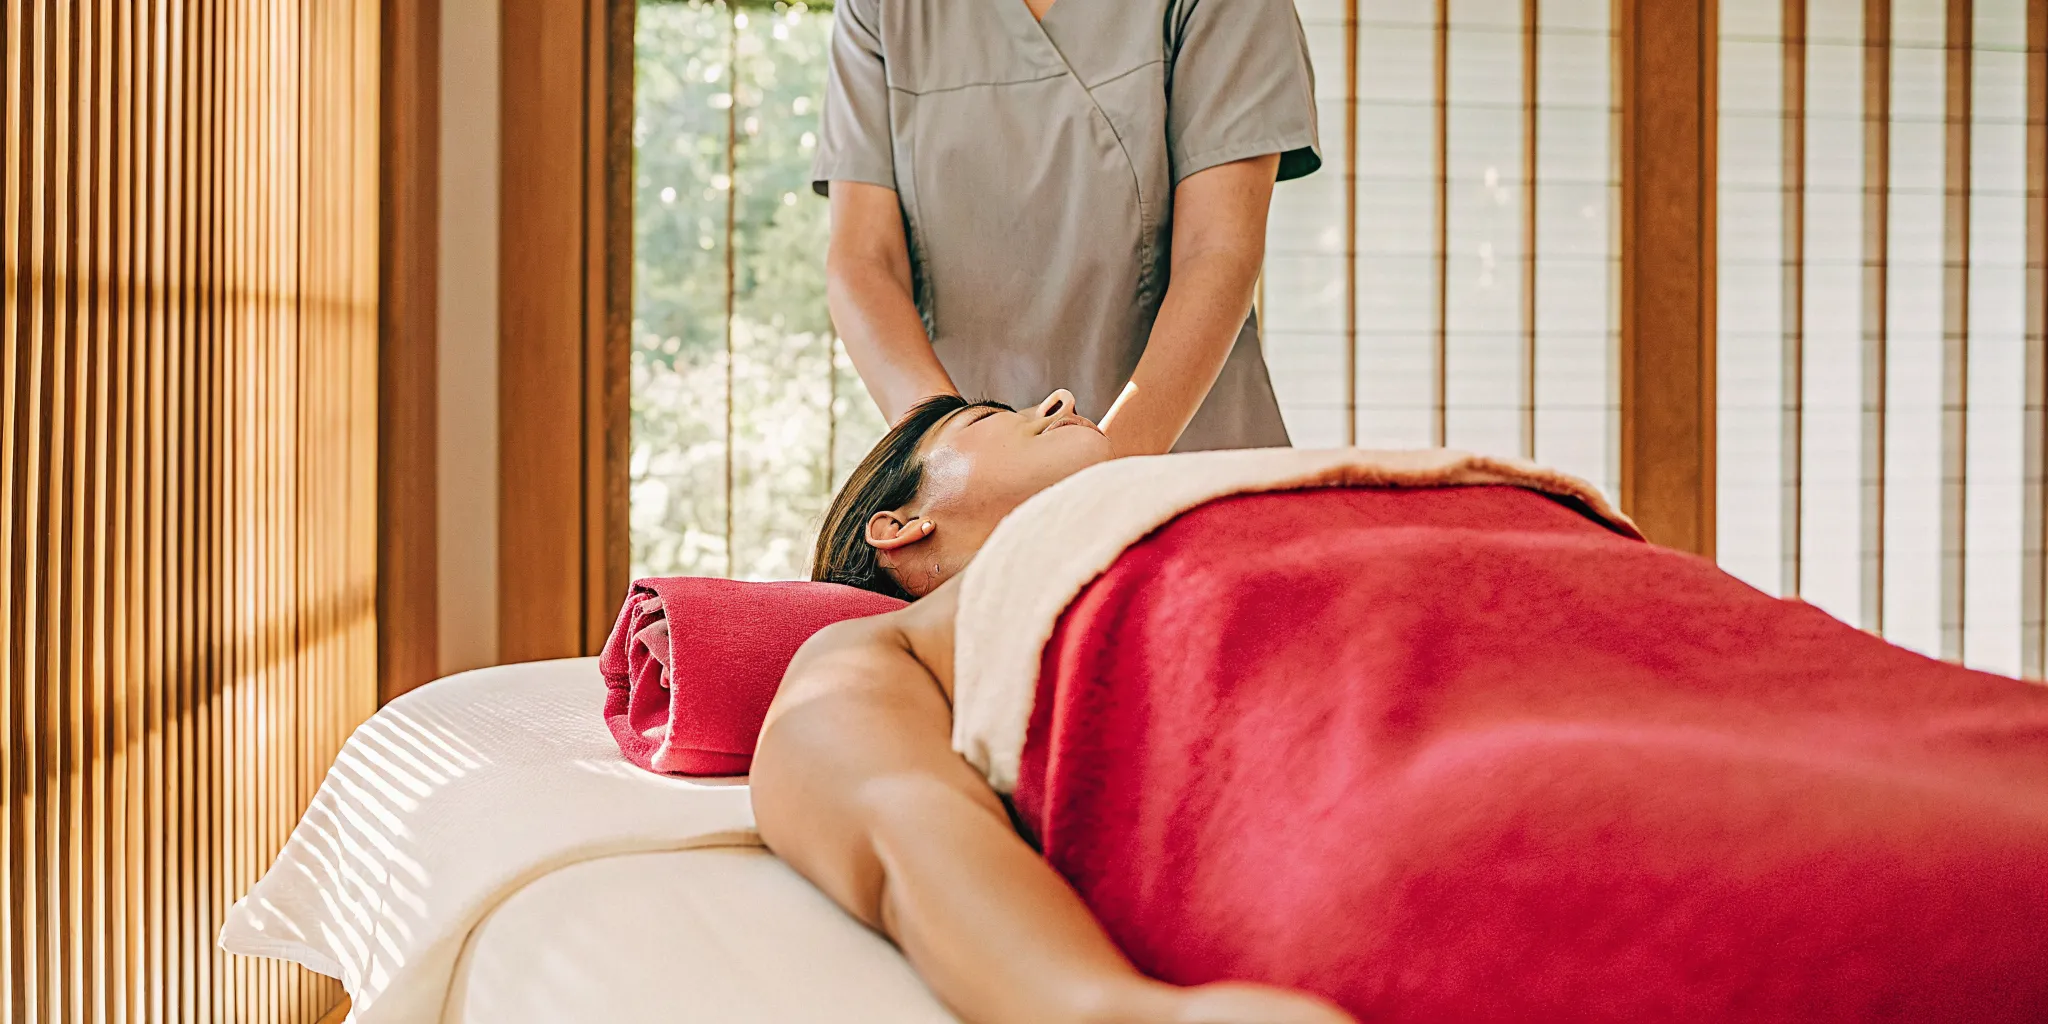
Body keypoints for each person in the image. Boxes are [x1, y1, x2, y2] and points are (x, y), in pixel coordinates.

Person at [759, 389, 1355, 1024]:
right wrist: (1114, 1011)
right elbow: (902, 815)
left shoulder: (1236, 496)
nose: (1060, 399)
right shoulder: (893, 642)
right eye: (989, 419)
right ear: (899, 525)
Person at [813, 0, 1321, 457]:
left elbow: (1217, 248)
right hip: (975, 485)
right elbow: (863, 260)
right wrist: (951, 454)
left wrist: (1098, 469)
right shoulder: (877, 9)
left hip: (1186, 461)